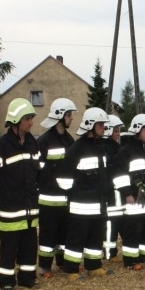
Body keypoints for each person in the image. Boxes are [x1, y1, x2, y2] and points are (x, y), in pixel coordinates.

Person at [0, 98, 41, 290]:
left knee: (29, 246)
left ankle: (27, 278)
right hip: (10, 209)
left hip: (29, 208)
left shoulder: (32, 143)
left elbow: (38, 172)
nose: (31, 122)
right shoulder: (0, 146)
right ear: (16, 121)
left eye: (31, 118)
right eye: (27, 118)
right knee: (9, 248)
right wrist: (1, 194)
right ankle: (7, 282)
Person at [56, 107, 112, 280]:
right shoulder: (77, 148)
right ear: (90, 125)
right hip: (81, 207)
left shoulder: (101, 146)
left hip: (99, 205)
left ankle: (94, 266)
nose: (104, 128)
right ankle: (71, 270)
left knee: (96, 237)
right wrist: (77, 193)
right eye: (100, 124)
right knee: (76, 239)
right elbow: (63, 176)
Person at [113, 114, 145, 269]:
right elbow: (119, 174)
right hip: (135, 198)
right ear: (137, 130)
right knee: (133, 230)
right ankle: (131, 261)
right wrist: (127, 194)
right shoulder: (126, 151)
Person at [36, 98, 77, 277]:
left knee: (64, 232)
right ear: (59, 116)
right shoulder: (44, 141)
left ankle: (62, 263)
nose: (71, 118)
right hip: (49, 199)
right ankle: (45, 266)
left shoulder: (69, 140)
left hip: (66, 198)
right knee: (48, 233)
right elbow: (37, 170)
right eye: (69, 115)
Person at [103, 115, 124, 260]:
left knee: (117, 220)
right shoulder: (105, 148)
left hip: (118, 190)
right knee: (110, 222)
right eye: (116, 131)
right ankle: (109, 252)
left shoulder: (116, 147)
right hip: (110, 191)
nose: (118, 134)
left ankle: (112, 251)